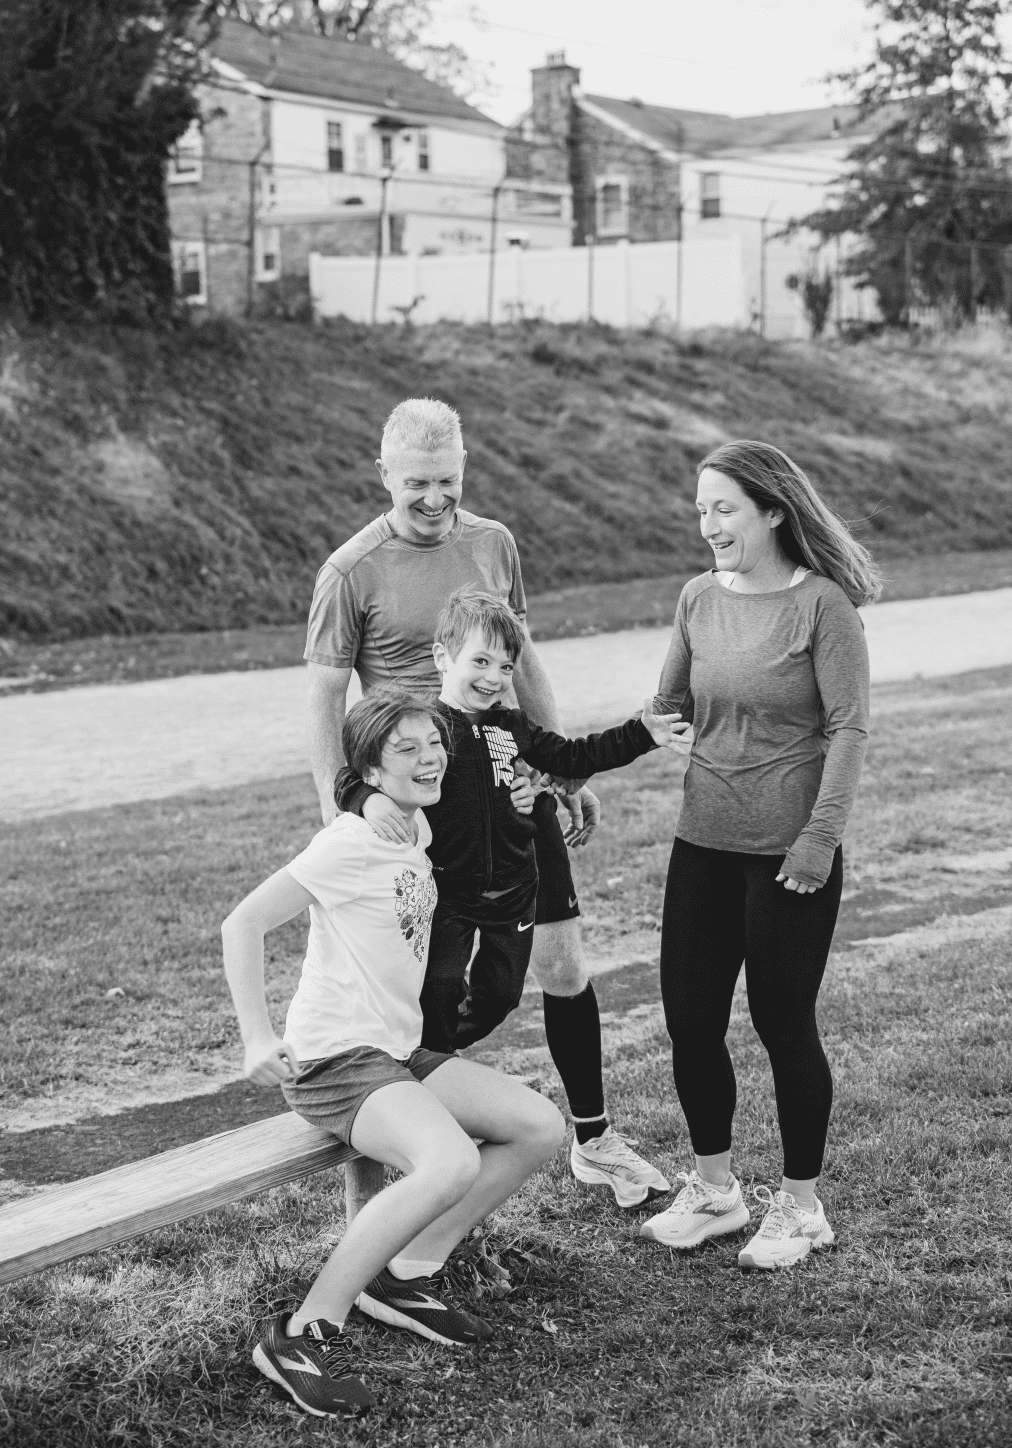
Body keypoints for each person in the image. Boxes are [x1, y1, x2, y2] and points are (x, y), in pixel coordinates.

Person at [305, 396, 668, 1206]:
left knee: (564, 964)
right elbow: (324, 701)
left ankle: (596, 1143)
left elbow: (521, 658)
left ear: (463, 470)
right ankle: (396, 1163)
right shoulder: (351, 570)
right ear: (384, 474)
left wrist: (561, 769)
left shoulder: (493, 543)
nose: (434, 498)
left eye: (447, 480)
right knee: (417, 989)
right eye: (416, 483)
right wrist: (348, 811)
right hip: (422, 813)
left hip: (513, 785)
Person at [222, 689, 565, 1418]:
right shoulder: (348, 843)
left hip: (399, 1050)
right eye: (406, 750)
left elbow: (475, 784)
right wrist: (256, 1035)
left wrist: (543, 794)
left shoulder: (417, 825)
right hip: (335, 1060)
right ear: (371, 773)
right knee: (450, 1161)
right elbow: (242, 923)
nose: (430, 758)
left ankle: (403, 1272)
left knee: (538, 1127)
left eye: (433, 743)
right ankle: (304, 1332)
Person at [639, 439, 880, 1270]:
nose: (708, 525)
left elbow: (849, 728)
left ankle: (802, 1208)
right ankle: (716, 1192)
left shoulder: (823, 608)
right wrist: (591, 754)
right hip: (701, 843)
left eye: (724, 508)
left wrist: (819, 838)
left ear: (773, 510)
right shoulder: (698, 598)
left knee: (782, 1023)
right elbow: (666, 703)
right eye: (701, 510)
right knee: (690, 1022)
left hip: (789, 855)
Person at [336, 590, 690, 1155]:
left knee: (500, 996)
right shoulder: (425, 727)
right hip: (449, 896)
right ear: (442, 657)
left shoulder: (515, 728)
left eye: (505, 667)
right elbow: (354, 773)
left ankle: (429, 1059)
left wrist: (644, 734)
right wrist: (367, 800)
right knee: (438, 994)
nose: (494, 677)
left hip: (514, 895)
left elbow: (575, 756)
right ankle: (421, 1080)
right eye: (480, 661)